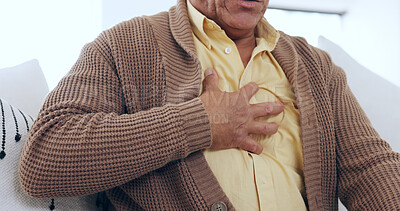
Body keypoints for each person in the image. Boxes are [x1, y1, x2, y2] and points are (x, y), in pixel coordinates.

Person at [19, 0, 400, 210]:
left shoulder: (314, 64)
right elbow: (45, 159)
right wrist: (200, 122)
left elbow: (370, 169)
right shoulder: (125, 44)